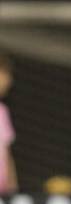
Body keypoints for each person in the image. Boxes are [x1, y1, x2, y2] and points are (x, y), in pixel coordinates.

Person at [0, 53, 18, 194]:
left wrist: (12, 186)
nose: (9, 80)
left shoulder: (2, 111)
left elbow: (6, 152)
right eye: (5, 74)